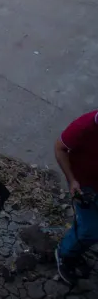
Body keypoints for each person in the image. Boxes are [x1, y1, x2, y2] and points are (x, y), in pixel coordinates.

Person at [54, 110, 98, 285]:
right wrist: (72, 180)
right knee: (91, 230)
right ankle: (65, 254)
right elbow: (60, 148)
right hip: (85, 186)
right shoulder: (85, 126)